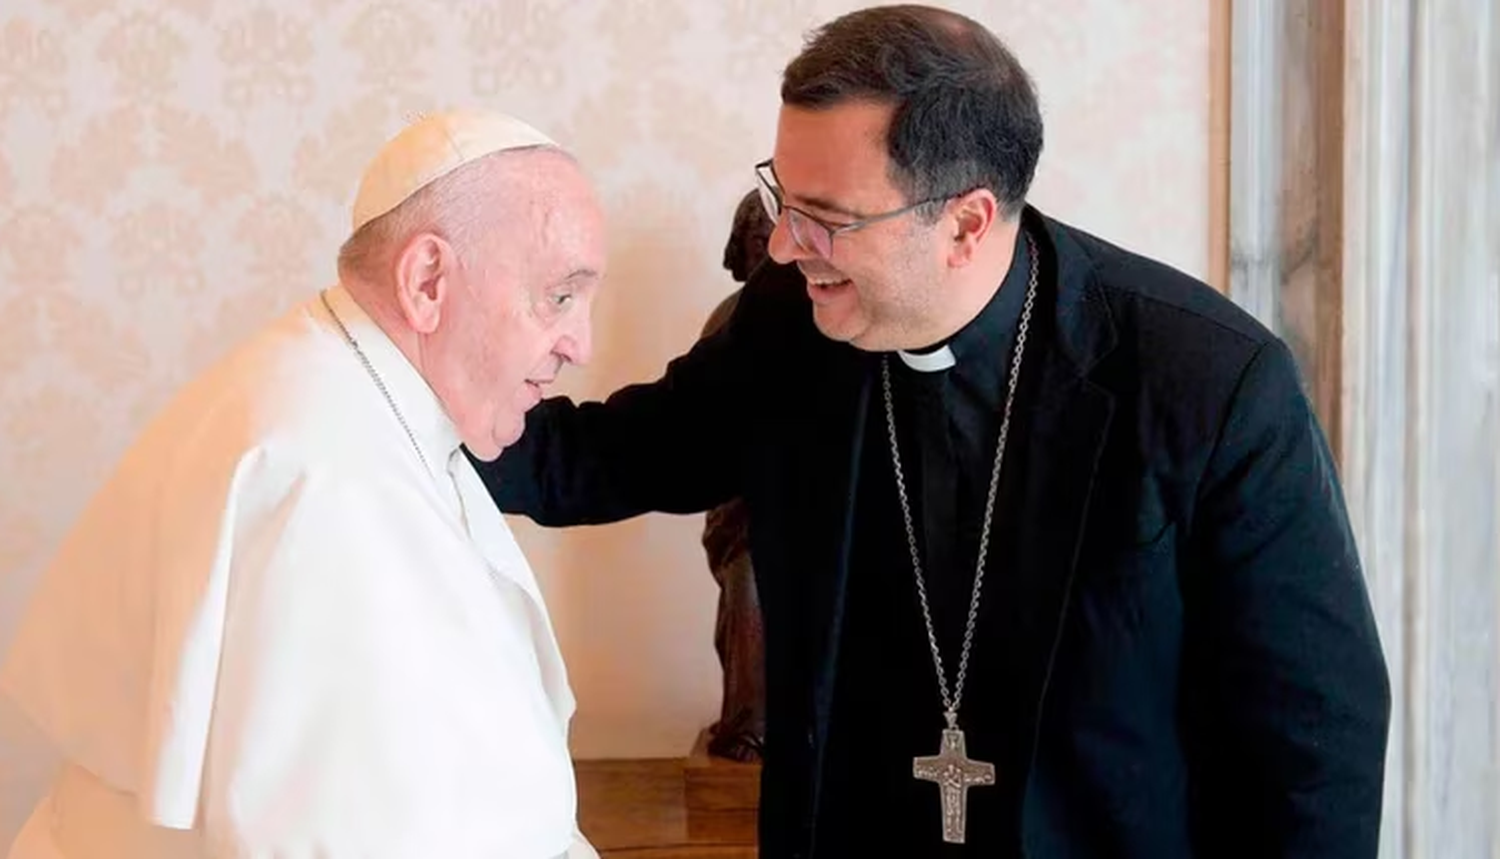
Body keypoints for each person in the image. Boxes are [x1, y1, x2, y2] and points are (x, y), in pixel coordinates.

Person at [474, 5, 1392, 858]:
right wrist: (393, 396)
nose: (786, 245)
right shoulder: (789, 326)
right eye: (781, 197)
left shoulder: (1211, 384)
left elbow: (1316, 738)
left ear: (965, 223)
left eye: (826, 219)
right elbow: (600, 457)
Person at [0, 109, 606, 859]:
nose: (582, 343)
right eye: (558, 297)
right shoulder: (323, 482)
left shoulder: (345, 394)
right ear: (427, 281)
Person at [700, 190, 775, 763]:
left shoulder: (828, 312)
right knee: (748, 591)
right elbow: (692, 424)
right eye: (756, 241)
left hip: (810, 504)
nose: (770, 251)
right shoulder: (728, 319)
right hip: (744, 509)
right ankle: (748, 725)